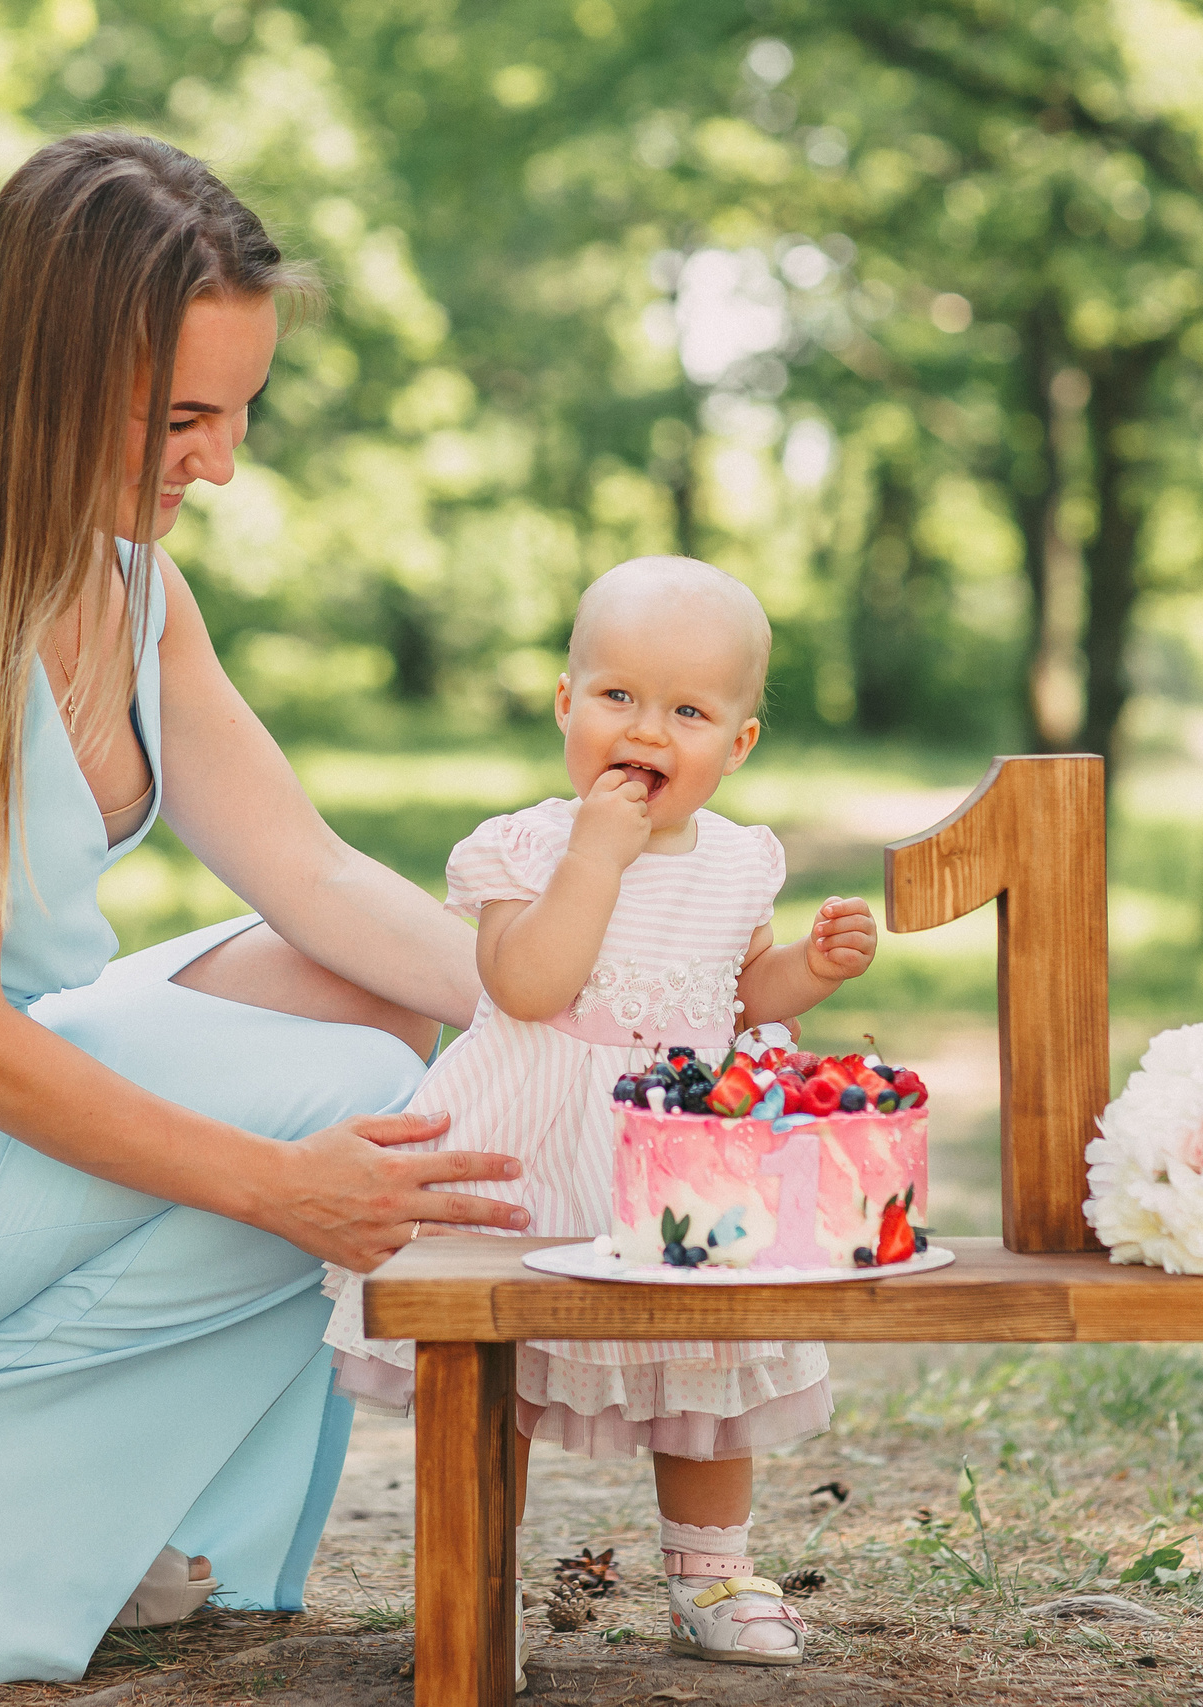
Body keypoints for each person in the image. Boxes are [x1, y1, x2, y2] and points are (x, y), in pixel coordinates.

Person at [0, 131, 529, 1685]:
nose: (223, 461)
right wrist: (280, 1187)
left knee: (373, 1008)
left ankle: (74, 1505)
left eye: (243, 410)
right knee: (346, 1109)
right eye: (185, 416)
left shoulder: (132, 589)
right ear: (52, 378)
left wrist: (589, 998)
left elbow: (317, 878)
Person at [322, 556, 881, 1672]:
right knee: (498, 1370)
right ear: (565, 703)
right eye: (618, 697)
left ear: (740, 743)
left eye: (688, 711)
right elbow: (527, 987)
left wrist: (807, 974)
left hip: (681, 1151)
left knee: (707, 1365)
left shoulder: (738, 861)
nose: (647, 730)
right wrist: (594, 856)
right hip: (533, 1134)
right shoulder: (521, 847)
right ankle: (480, 1581)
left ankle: (712, 1574)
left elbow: (738, 994)